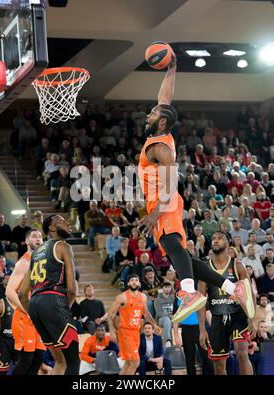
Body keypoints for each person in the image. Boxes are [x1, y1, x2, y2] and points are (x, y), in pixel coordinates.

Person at [137, 54, 254, 323]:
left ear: (162, 122)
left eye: (153, 114)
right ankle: (232, 287)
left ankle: (188, 292)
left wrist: (156, 213)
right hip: (165, 203)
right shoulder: (160, 135)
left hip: (163, 202)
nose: (149, 114)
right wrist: (172, 68)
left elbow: (170, 181)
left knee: (171, 245)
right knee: (186, 257)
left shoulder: (159, 148)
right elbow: (164, 99)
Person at [18, 215, 80, 375]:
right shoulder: (63, 246)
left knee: (61, 361)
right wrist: (63, 309)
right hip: (54, 301)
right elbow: (72, 289)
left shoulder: (35, 254)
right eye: (62, 221)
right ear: (52, 228)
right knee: (73, 361)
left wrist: (34, 314)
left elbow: (23, 295)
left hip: (35, 307)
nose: (67, 222)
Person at [198, 231, 254, 375]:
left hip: (238, 316)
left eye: (220, 238)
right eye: (214, 238)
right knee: (218, 365)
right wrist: (202, 330)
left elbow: (249, 293)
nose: (216, 241)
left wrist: (251, 318)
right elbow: (201, 302)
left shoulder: (238, 265)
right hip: (217, 318)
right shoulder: (205, 269)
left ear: (227, 244)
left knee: (241, 354)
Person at [5, 229, 46, 375]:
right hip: (25, 317)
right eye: (34, 236)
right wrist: (27, 310)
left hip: (39, 317)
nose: (38, 239)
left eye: (40, 236)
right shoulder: (24, 262)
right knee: (26, 360)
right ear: (27, 241)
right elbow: (9, 292)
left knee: (38, 358)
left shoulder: (44, 262)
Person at [107, 274, 161, 375]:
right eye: (132, 280)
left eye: (136, 280)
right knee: (135, 362)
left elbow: (146, 314)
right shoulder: (122, 297)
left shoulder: (143, 296)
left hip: (136, 332)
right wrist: (111, 330)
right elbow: (110, 314)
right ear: (128, 283)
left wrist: (154, 325)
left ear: (139, 283)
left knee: (128, 363)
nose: (134, 282)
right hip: (125, 332)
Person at [0, 276, 17, 375]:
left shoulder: (24, 302)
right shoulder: (0, 304)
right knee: (1, 372)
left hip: (19, 342)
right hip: (4, 343)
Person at [153, 280, 175, 347]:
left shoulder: (173, 298)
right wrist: (169, 316)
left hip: (173, 318)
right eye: (165, 287)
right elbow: (159, 313)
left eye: (169, 287)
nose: (167, 289)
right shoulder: (157, 299)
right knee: (167, 319)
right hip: (162, 319)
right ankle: (168, 340)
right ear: (162, 288)